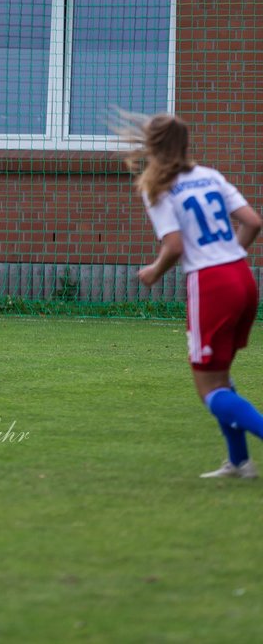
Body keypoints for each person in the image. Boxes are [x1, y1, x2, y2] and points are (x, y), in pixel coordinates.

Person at [123, 112, 263, 478]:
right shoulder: (210, 176)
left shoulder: (156, 188)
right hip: (242, 277)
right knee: (221, 377)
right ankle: (239, 461)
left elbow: (174, 244)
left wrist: (154, 271)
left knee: (208, 389)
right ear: (184, 144)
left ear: (152, 146)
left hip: (212, 285)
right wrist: (228, 256)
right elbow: (253, 222)